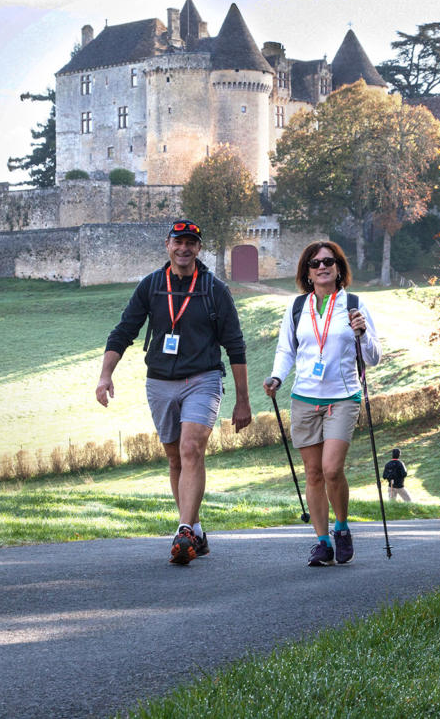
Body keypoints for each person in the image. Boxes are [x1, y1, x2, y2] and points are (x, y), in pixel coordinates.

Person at [96, 219, 252, 565]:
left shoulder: (214, 289)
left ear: (199, 248)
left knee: (191, 448)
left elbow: (235, 346)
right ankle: (195, 531)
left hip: (203, 379)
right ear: (167, 245)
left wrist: (242, 400)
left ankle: (182, 530)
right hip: (159, 382)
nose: (184, 248)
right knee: (174, 457)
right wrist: (105, 375)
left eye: (191, 243)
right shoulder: (151, 285)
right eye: (178, 242)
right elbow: (124, 331)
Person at [263, 240, 381, 567]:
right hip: (303, 398)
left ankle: (341, 527)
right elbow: (286, 350)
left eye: (329, 261)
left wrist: (363, 333)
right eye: (315, 263)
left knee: (331, 469)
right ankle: (322, 542)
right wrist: (276, 377)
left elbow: (373, 357)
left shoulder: (354, 304)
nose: (322, 267)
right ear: (308, 272)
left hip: (343, 398)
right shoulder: (297, 307)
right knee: (313, 473)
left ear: (339, 268)